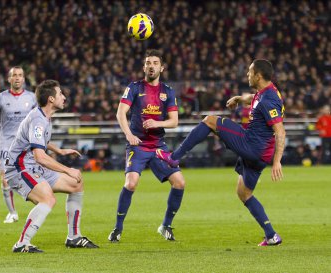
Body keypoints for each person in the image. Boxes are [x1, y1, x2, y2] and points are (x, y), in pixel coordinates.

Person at [157, 59, 285, 246]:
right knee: (244, 193)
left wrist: (277, 161)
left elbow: (280, 130)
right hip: (258, 154)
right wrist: (241, 99)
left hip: (253, 146)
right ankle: (271, 235)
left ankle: (174, 158)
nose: (247, 74)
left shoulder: (269, 100)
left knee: (210, 120)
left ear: (258, 76)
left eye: (249, 72)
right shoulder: (267, 91)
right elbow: (256, 98)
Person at [5, 80, 98, 253]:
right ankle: (21, 244)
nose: (64, 97)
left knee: (76, 183)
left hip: (32, 166)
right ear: (50, 99)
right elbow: (40, 156)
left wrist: (59, 150)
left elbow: (39, 141)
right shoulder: (39, 120)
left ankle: (74, 237)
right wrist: (67, 168)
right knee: (48, 199)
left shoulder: (43, 117)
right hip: (19, 168)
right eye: (60, 93)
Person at [108, 49, 186, 242]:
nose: (151, 66)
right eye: (148, 63)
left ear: (162, 67)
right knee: (131, 183)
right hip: (138, 146)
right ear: (144, 67)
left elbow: (174, 121)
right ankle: (117, 229)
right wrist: (129, 135)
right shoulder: (134, 87)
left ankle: (166, 226)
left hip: (159, 146)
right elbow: (120, 113)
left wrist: (157, 123)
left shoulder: (167, 91)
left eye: (155, 63)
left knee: (180, 183)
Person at [0, 66, 37, 224]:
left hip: (26, 143)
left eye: (20, 75)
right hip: (7, 143)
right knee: (5, 179)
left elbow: (40, 116)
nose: (17, 78)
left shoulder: (32, 98)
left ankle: (41, 201)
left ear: (24, 78)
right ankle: (12, 213)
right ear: (9, 79)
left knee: (33, 174)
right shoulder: (1, 98)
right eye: (14, 75)